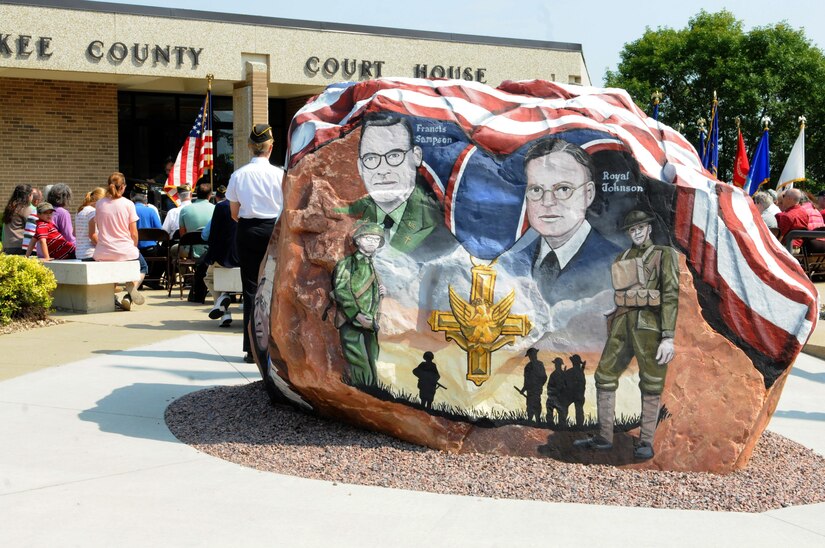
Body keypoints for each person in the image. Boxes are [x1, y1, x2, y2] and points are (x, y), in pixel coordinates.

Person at [575, 210, 679, 460]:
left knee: (652, 381)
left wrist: (667, 336)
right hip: (623, 322)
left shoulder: (664, 255)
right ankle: (604, 435)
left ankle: (645, 442)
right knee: (604, 375)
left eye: (640, 228)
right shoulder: (623, 257)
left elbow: (671, 294)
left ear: (649, 228)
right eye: (632, 230)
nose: (636, 233)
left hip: (650, 325)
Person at [506, 137, 621, 305]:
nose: (547, 201)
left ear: (588, 194)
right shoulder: (510, 262)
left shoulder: (616, 262)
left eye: (563, 189)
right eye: (536, 189)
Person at [342, 113, 443, 254]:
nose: (382, 170)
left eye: (395, 155)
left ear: (416, 156)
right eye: (371, 158)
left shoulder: (442, 225)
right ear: (360, 167)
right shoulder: (346, 215)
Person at [225, 123, 285, 362]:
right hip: (274, 229)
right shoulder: (280, 174)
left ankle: (252, 349)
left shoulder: (239, 174)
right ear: (270, 147)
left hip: (248, 229)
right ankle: (273, 347)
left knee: (251, 289)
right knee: (274, 287)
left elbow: (233, 212)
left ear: (251, 147)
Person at [330, 222, 386, 386]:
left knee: (373, 357)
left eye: (376, 240)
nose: (372, 242)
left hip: (371, 321)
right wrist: (356, 314)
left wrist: (380, 290)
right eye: (368, 238)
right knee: (358, 358)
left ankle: (373, 393)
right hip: (351, 320)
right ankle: (363, 391)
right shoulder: (347, 263)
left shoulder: (373, 265)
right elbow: (341, 290)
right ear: (358, 240)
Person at [92, 172, 147, 311]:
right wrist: (133, 248)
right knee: (143, 267)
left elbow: (98, 227)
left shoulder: (99, 204)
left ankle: (111, 297)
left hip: (103, 251)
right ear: (123, 187)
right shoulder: (128, 204)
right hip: (125, 249)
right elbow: (134, 233)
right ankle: (130, 292)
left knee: (111, 270)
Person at [201, 195, 240, 327]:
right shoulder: (253, 205)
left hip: (225, 257)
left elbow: (209, 235)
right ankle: (223, 301)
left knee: (209, 278)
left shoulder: (222, 206)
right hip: (247, 257)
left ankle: (223, 308)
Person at [178, 181, 214, 259]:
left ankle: (183, 271)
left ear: (196, 194)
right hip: (212, 251)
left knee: (173, 250)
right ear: (210, 195)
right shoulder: (216, 209)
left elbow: (183, 236)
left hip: (189, 252)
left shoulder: (184, 210)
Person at [74, 187, 106, 260]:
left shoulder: (79, 211)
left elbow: (74, 233)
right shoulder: (92, 212)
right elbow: (92, 235)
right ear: (99, 201)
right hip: (91, 253)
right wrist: (104, 247)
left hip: (79, 253)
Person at [2, 184, 34, 255]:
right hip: (19, 246)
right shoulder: (25, 209)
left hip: (7, 246)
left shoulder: (10, 207)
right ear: (28, 195)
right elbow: (34, 227)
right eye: (32, 195)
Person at [519, 348, 547, 423]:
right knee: (532, 404)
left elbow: (544, 377)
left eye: (531, 355)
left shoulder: (536, 365)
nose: (531, 357)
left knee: (534, 404)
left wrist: (538, 386)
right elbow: (527, 381)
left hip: (534, 390)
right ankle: (532, 420)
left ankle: (535, 420)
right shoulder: (529, 366)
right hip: (532, 390)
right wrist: (524, 389)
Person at [47, 183, 76, 249]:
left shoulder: (45, 210)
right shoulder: (62, 213)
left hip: (42, 250)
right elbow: (68, 237)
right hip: (56, 251)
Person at [562, 354, 587, 428]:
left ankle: (563, 425)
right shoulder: (580, 372)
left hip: (571, 395)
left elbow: (565, 382)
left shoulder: (570, 372)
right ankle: (579, 426)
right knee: (579, 410)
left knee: (564, 407)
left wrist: (564, 374)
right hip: (579, 395)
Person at [546, 357, 568, 428]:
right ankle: (554, 425)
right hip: (556, 397)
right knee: (554, 409)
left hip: (557, 397)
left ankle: (554, 425)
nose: (555, 365)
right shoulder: (558, 374)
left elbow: (550, 387)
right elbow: (550, 387)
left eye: (556, 364)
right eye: (556, 364)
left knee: (554, 409)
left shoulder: (555, 374)